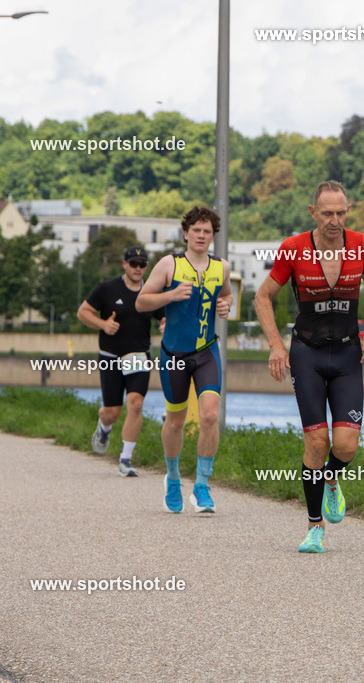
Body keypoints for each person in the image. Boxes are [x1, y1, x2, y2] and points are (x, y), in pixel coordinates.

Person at [253, 180, 364, 554]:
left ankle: (330, 478)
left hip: (347, 355)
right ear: (313, 212)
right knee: (316, 442)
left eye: (341, 213)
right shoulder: (294, 248)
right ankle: (314, 527)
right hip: (307, 355)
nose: (335, 220)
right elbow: (263, 296)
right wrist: (276, 345)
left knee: (346, 446)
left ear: (348, 210)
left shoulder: (362, 245)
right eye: (327, 213)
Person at [137, 206, 233, 514]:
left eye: (207, 231)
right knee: (176, 420)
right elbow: (141, 301)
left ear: (213, 236)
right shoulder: (170, 264)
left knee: (210, 416)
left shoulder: (222, 267)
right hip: (174, 355)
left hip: (207, 351)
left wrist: (225, 306)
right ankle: (173, 478)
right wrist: (170, 296)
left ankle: (202, 486)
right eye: (196, 230)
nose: (201, 236)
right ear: (186, 234)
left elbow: (226, 295)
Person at [77, 246, 165, 476]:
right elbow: (83, 312)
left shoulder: (151, 292)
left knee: (135, 404)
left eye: (142, 264)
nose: (138, 268)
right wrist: (103, 324)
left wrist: (164, 324)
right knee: (112, 412)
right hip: (111, 356)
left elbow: (163, 316)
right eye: (133, 263)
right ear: (124, 264)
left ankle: (125, 459)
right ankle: (104, 427)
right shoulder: (107, 288)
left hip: (138, 356)